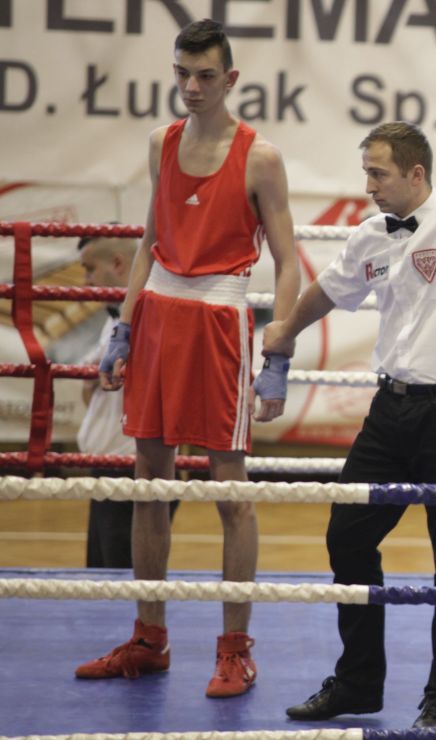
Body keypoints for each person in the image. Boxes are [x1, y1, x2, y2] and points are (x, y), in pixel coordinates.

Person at [255, 80, 436, 725]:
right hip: (391, 410)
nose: (369, 185)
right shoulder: (370, 235)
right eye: (366, 173)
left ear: (416, 173)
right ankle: (359, 681)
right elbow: (329, 289)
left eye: (378, 174)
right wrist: (285, 332)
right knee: (347, 535)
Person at [74, 19, 301, 698]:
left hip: (220, 323)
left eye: (205, 76)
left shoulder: (260, 157)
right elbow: (150, 240)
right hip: (158, 319)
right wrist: (124, 327)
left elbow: (289, 261)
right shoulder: (161, 144)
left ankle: (235, 650)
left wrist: (279, 350)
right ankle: (149, 638)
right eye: (182, 74)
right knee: (149, 481)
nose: (192, 87)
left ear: (230, 79)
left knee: (231, 488)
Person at [76, 232, 175, 568]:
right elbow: (89, 388)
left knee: (119, 578)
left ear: (118, 264)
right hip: (108, 469)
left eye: (90, 268)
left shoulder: (147, 319)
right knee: (101, 577)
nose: (86, 280)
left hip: (130, 468)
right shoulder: (113, 320)